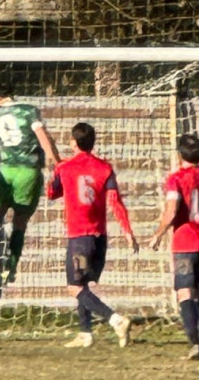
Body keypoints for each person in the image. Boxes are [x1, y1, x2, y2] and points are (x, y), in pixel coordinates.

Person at [46, 123, 137, 348]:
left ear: (72, 143)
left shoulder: (65, 168)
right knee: (84, 284)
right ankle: (85, 333)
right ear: (93, 142)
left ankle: (115, 319)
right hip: (99, 238)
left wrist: (55, 170)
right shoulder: (104, 168)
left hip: (80, 237)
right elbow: (115, 201)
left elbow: (51, 193)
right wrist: (127, 231)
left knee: (74, 287)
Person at [0, 81, 61, 283]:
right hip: (28, 171)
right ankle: (11, 267)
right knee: (20, 221)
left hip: (5, 171)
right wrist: (55, 162)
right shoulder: (29, 111)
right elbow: (43, 138)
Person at [148, 134, 199, 360]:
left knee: (185, 292)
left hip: (186, 241)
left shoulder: (176, 178)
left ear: (179, 155)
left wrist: (157, 234)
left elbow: (171, 211)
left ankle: (195, 343)